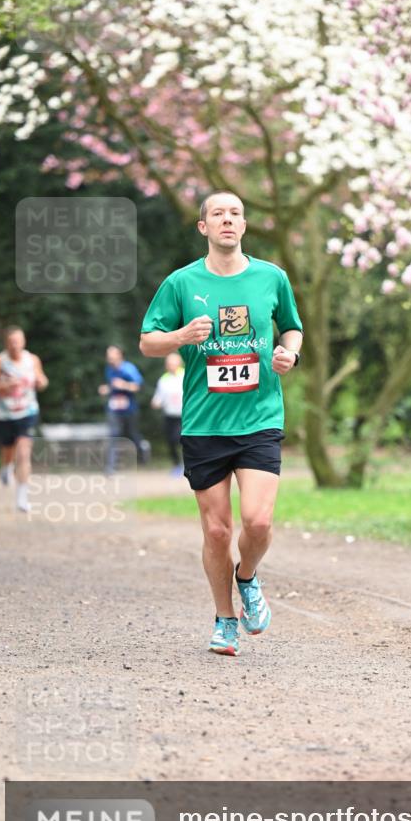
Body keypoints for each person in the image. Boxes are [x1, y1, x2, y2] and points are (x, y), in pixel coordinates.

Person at [139, 190, 303, 657]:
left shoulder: (272, 277)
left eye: (235, 214)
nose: (227, 220)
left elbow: (292, 325)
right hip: (204, 422)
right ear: (203, 227)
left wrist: (290, 352)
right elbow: (148, 341)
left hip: (259, 417)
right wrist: (180, 335)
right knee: (216, 531)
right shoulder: (180, 283)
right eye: (218, 214)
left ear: (244, 226)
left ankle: (247, 576)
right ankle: (224, 619)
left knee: (258, 520)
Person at [0, 325, 49, 512]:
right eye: (12, 342)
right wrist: (2, 386)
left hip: (27, 412)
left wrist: (40, 382)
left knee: (23, 452)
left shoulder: (32, 360)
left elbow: (43, 380)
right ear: (7, 344)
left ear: (24, 342)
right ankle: (6, 467)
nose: (15, 345)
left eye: (18, 341)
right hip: (5, 414)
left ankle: (22, 496)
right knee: (8, 451)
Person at [98, 345, 145, 475]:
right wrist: (106, 389)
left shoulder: (128, 368)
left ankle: (143, 454)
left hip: (130, 409)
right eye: (108, 355)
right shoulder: (109, 369)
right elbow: (112, 386)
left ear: (120, 355)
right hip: (114, 409)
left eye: (112, 354)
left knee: (133, 434)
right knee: (113, 435)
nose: (109, 357)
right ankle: (111, 467)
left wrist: (123, 385)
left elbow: (138, 386)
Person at [151, 352, 185, 476]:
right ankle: (177, 465)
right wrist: (156, 402)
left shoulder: (185, 375)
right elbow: (158, 396)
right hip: (169, 415)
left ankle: (187, 463)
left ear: (179, 363)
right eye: (168, 363)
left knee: (181, 439)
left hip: (184, 415)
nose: (170, 365)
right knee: (170, 441)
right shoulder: (163, 379)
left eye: (172, 363)